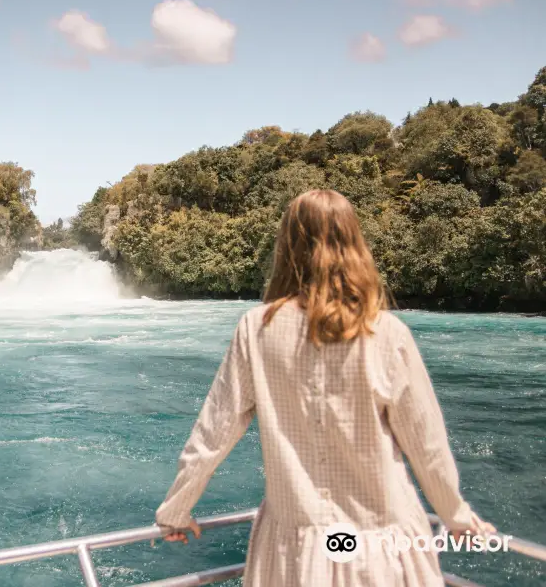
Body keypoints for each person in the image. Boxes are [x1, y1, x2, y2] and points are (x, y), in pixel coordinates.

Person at [154, 189, 495, 586]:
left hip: (298, 553)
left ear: (287, 245)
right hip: (379, 545)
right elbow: (428, 445)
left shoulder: (257, 328)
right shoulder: (386, 332)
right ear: (354, 243)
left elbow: (214, 431)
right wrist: (457, 518)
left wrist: (176, 509)